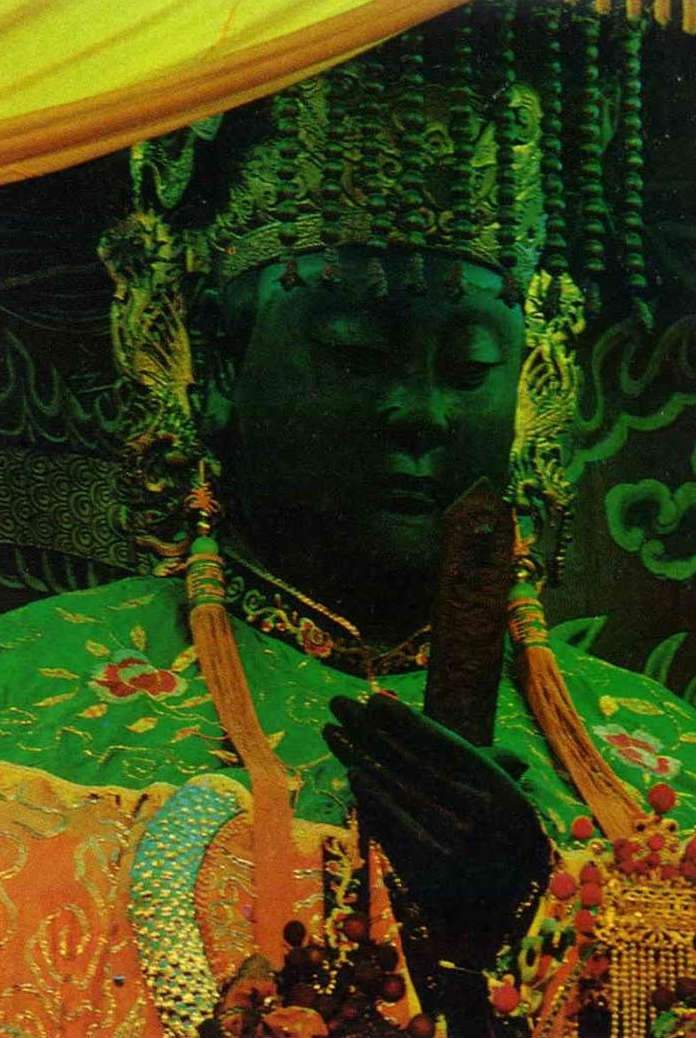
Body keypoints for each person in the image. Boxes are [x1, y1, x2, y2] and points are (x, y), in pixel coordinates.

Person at [0, 7, 694, 1038]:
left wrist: (520, 917)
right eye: (357, 354)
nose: (420, 413)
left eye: (468, 367)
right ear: (219, 368)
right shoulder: (26, 701)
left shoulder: (660, 763)